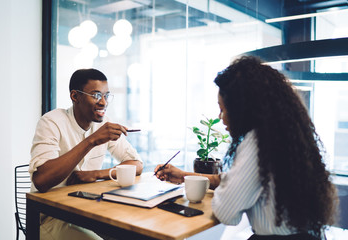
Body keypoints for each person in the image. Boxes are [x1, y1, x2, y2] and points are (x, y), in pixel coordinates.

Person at [155, 56, 338, 240]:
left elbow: (227, 213)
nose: (220, 117)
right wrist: (186, 176)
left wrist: (225, 187)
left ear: (242, 108)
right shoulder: (285, 137)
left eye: (223, 109)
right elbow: (240, 181)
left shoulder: (257, 142)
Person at [29, 68, 143, 240]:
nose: (103, 103)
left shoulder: (103, 124)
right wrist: (92, 141)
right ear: (75, 96)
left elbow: (136, 164)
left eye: (106, 95)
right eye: (96, 95)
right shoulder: (51, 122)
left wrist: (95, 174)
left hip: (88, 211)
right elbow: (41, 181)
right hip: (52, 217)